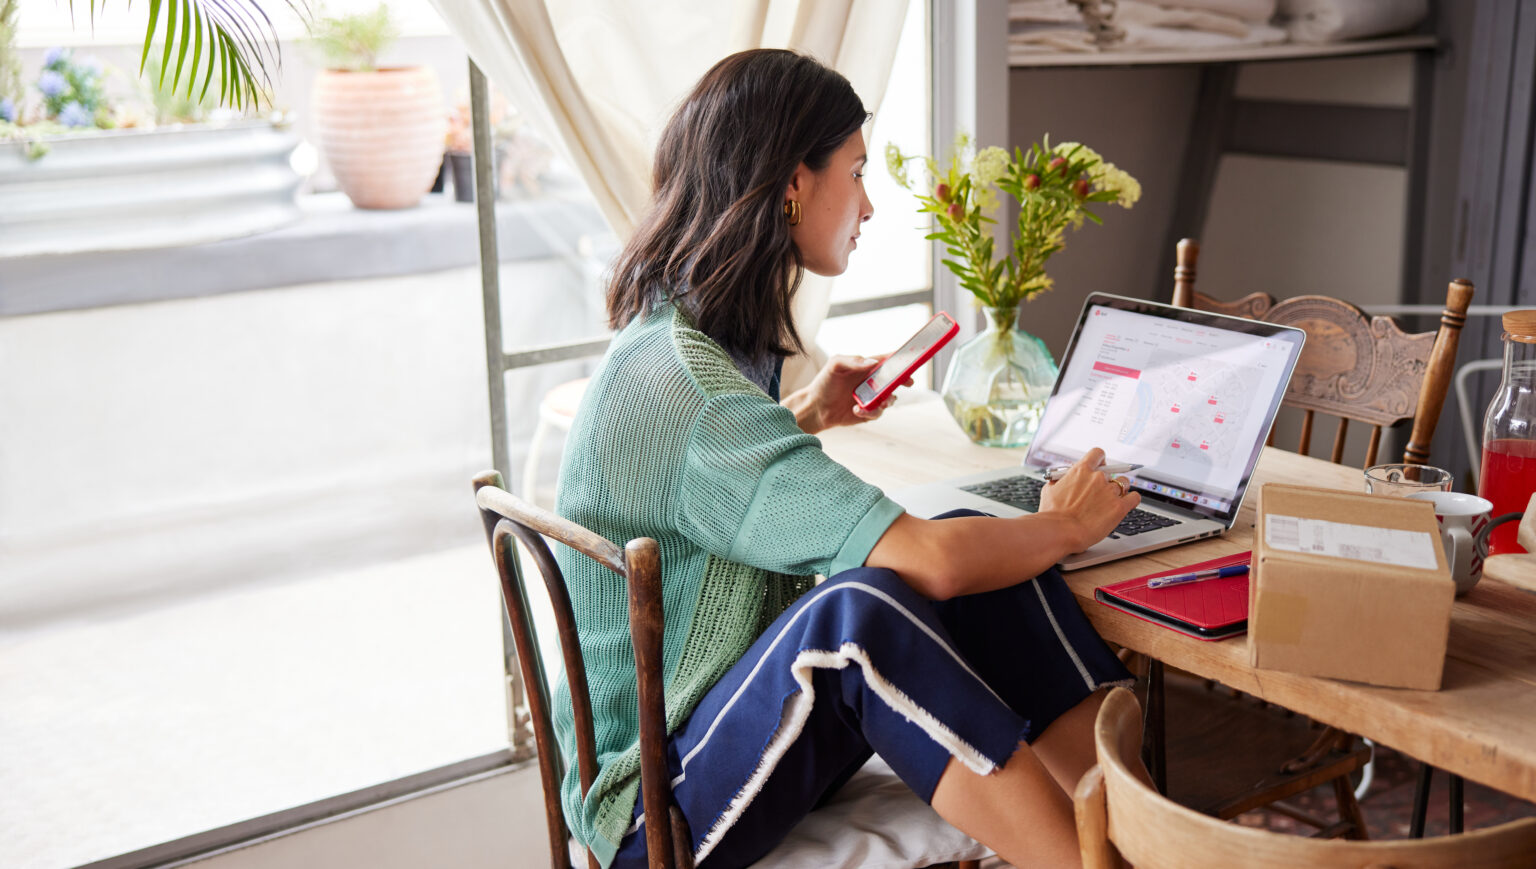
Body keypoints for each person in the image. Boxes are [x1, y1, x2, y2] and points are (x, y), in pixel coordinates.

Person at [553, 48, 1140, 869]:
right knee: (862, 614)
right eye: (856, 171)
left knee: (978, 551)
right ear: (794, 182)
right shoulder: (697, 390)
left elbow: (702, 482)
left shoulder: (679, 345)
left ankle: (1127, 827)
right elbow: (926, 558)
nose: (867, 204)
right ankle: (1090, 865)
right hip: (652, 814)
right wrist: (1065, 526)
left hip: (700, 737)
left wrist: (803, 415)